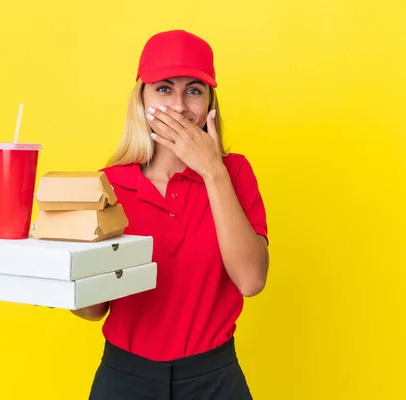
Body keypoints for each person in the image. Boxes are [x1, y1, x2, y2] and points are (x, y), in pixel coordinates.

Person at [72, 29, 270, 400]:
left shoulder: (235, 173)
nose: (179, 106)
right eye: (164, 89)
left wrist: (213, 171)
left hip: (214, 379)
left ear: (210, 103)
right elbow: (92, 310)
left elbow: (251, 281)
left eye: (193, 90)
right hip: (124, 378)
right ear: (140, 99)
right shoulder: (109, 184)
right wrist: (61, 273)